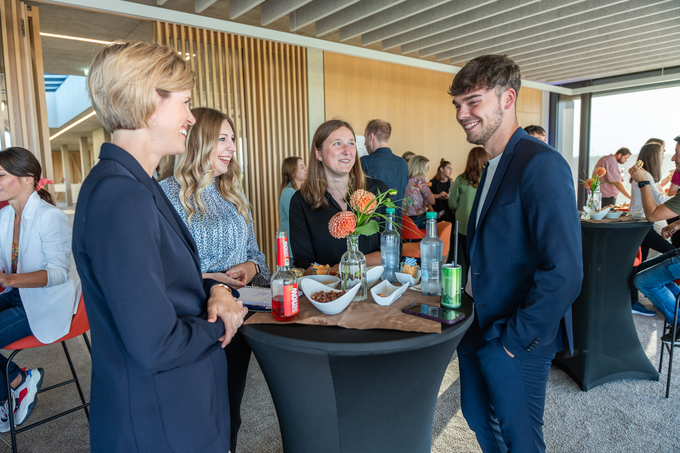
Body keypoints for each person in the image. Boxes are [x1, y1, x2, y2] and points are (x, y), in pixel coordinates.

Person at [72, 41, 247, 452]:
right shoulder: (121, 196)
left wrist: (216, 290)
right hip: (160, 421)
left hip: (170, 408)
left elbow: (166, 286)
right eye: (184, 103)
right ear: (150, 101)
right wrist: (225, 323)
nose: (190, 117)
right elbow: (155, 344)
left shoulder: (135, 185)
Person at [449, 54, 582, 453]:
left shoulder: (541, 163)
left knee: (520, 440)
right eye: (457, 104)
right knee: (477, 417)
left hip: (515, 335)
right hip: (477, 324)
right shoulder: (491, 166)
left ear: (508, 98)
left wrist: (511, 341)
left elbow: (565, 271)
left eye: (473, 101)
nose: (461, 113)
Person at [159, 107, 270, 452]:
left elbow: (258, 255)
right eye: (222, 138)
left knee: (229, 408)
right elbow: (162, 271)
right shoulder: (165, 194)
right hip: (198, 316)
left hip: (244, 309)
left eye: (233, 139)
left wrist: (249, 268)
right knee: (199, 412)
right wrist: (214, 281)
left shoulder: (233, 193)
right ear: (198, 140)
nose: (232, 147)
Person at [0, 148, 79, 432]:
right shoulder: (5, 216)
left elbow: (58, 273)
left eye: (1, 175)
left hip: (46, 301)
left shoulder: (49, 217)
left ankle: (6, 397)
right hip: (18, 293)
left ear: (27, 179)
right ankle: (18, 380)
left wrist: (9, 281)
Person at [289, 119, 388, 274]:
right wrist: (336, 273)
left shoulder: (378, 191)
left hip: (374, 291)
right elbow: (303, 264)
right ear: (319, 153)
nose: (347, 151)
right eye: (337, 143)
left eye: (351, 143)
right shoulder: (301, 201)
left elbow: (392, 251)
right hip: (327, 292)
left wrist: (343, 267)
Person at [630, 139, 680, 342]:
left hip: (648, 223)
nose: (673, 158)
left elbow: (652, 215)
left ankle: (678, 322)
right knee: (640, 269)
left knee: (643, 280)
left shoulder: (647, 178)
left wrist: (644, 182)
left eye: (676, 153)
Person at [448, 147, 487, 286]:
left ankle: (461, 286)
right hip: (481, 227)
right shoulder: (488, 179)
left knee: (460, 259)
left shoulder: (460, 179)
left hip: (462, 226)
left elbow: (452, 204)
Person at [360, 119, 409, 213]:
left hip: (373, 225)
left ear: (371, 137)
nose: (364, 143)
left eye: (365, 137)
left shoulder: (364, 161)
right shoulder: (403, 164)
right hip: (396, 223)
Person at [278, 156, 307, 256]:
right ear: (293, 171)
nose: (306, 169)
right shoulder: (289, 192)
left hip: (291, 243)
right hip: (288, 246)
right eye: (302, 167)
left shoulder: (294, 191)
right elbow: (298, 219)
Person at [403, 155, 435, 229]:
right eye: (427, 167)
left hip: (405, 221)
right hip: (418, 220)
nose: (429, 169)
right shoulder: (420, 180)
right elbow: (432, 201)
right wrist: (425, 201)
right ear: (421, 168)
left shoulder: (406, 180)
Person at [430, 158, 454, 223]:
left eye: (452, 169)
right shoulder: (433, 182)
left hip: (448, 215)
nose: (451, 171)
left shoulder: (452, 183)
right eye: (449, 168)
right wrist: (438, 195)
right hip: (435, 214)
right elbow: (427, 198)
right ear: (441, 169)